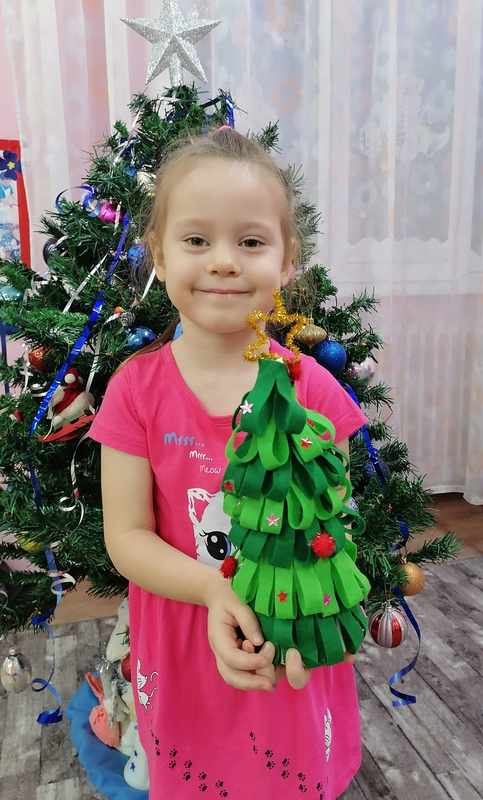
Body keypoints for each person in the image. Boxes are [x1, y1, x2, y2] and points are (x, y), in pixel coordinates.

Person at [89, 127, 368, 800]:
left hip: (284, 636)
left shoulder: (312, 390)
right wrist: (214, 591)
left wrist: (310, 614)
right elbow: (126, 537)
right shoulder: (135, 390)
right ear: (159, 255)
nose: (222, 262)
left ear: (287, 261)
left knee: (290, 775)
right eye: (196, 240)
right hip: (185, 635)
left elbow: (330, 524)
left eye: (249, 242)